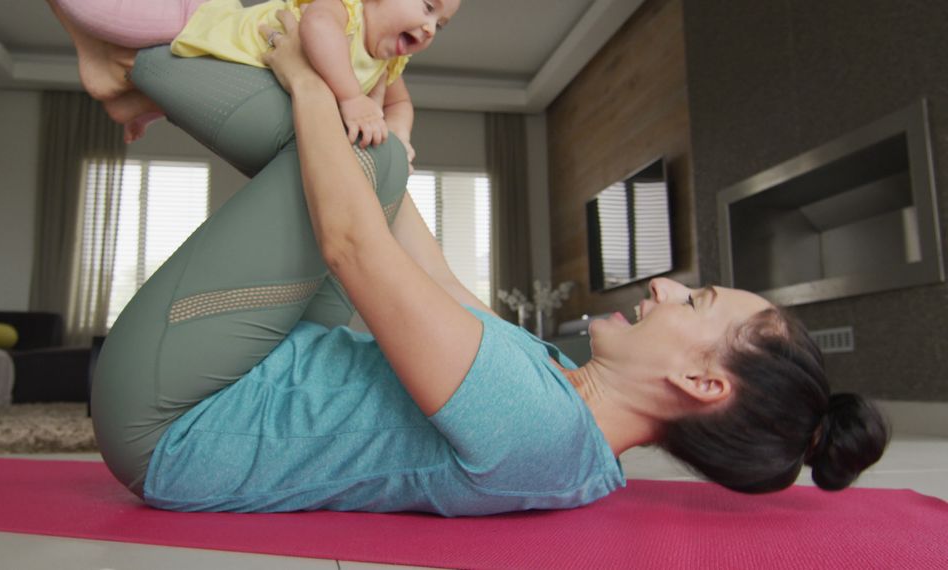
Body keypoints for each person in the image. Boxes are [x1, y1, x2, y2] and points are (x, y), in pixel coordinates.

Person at [79, 10, 888, 515]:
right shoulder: (564, 409)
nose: (664, 286)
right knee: (378, 162)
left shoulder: (531, 426)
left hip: (176, 423)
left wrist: (302, 77)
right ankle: (143, 71)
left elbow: (353, 244)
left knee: (354, 160)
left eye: (697, 299)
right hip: (257, 377)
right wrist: (373, 92)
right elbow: (420, 264)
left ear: (705, 383)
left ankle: (135, 54)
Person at [47, 0, 458, 164]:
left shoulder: (389, 65)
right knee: (102, 13)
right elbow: (316, 30)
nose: (429, 28)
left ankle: (138, 103)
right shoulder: (344, 9)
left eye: (440, 24)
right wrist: (352, 97)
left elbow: (397, 105)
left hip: (235, 78)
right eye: (426, 6)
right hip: (203, 24)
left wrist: (399, 135)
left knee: (208, 86)